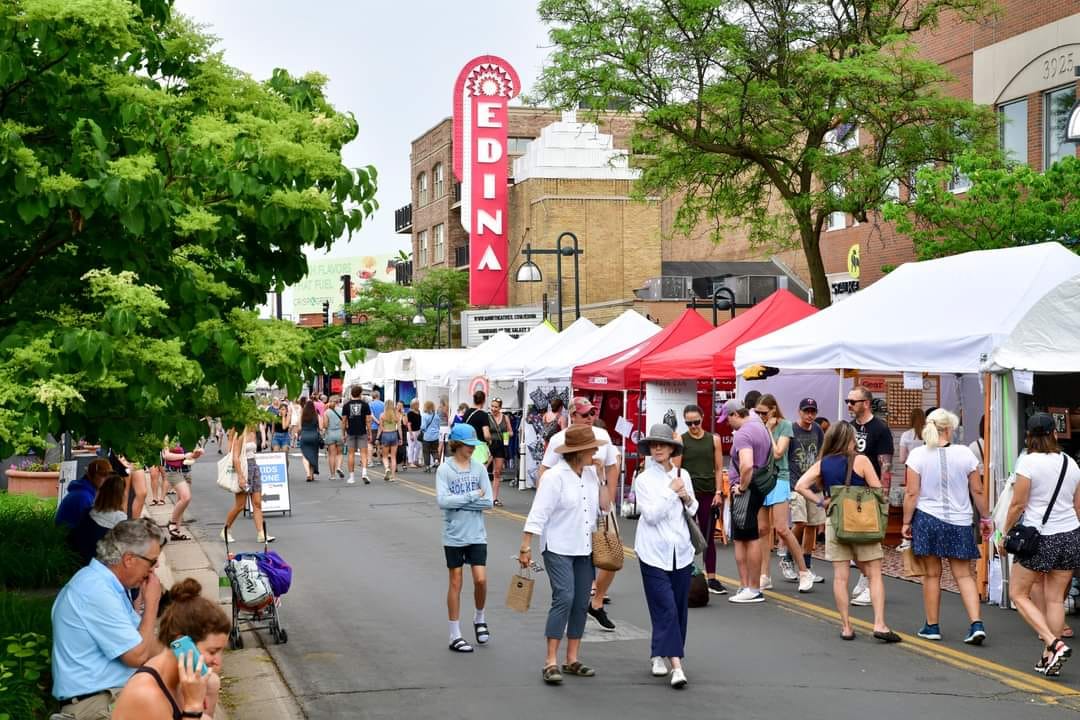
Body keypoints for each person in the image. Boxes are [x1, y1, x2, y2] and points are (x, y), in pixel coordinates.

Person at [795, 421, 901, 643]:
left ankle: (846, 626)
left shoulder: (823, 463)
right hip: (863, 522)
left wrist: (821, 502)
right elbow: (877, 490)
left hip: (836, 520)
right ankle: (879, 623)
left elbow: (800, 485)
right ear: (849, 438)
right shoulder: (860, 460)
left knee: (841, 577)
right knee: (874, 574)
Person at [519, 425, 609, 685]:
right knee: (564, 597)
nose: (595, 452)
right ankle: (550, 661)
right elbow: (539, 513)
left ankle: (572, 658)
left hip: (583, 547)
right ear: (579, 452)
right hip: (558, 546)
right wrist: (526, 545)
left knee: (582, 601)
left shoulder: (591, 475)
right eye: (592, 448)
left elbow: (604, 508)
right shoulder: (555, 477)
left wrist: (602, 477)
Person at [51, 519, 168, 718]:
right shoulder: (95, 590)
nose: (153, 570)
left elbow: (148, 647)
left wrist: (186, 659)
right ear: (129, 559)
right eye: (152, 562)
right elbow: (137, 656)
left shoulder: (109, 586)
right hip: (97, 704)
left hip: (110, 696)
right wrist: (151, 604)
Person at [1001, 412, 1080, 677]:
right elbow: (1078, 506)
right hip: (1070, 534)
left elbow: (1018, 504)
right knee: (1056, 598)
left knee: (1018, 594)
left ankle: (1053, 643)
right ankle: (1049, 658)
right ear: (1054, 434)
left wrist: (1004, 533)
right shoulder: (1071, 463)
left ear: (1029, 437)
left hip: (1040, 536)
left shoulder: (1028, 463)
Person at [902, 408, 990, 644]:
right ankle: (976, 623)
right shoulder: (965, 454)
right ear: (949, 428)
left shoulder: (918, 455)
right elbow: (978, 490)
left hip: (928, 518)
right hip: (960, 521)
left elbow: (912, 492)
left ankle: (932, 626)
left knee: (932, 575)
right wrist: (985, 518)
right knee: (964, 575)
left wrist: (906, 522)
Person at [539, 397, 621, 631]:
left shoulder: (602, 438)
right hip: (570, 508)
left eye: (592, 414)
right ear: (572, 416)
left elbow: (614, 463)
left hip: (599, 503)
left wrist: (610, 495)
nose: (589, 418)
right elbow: (545, 470)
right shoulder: (559, 439)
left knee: (611, 558)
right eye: (584, 414)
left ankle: (596, 601)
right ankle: (571, 606)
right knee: (575, 561)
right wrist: (550, 500)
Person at [112, 578, 229, 720]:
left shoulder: (180, 682)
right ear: (181, 642)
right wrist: (193, 706)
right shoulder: (146, 695)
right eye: (212, 651)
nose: (217, 661)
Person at [635, 425, 697, 689]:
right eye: (653, 445)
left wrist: (684, 495)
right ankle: (677, 666)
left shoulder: (684, 474)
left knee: (679, 609)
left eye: (662, 444)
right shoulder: (643, 480)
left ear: (672, 449)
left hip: (681, 551)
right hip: (652, 551)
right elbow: (650, 515)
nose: (658, 449)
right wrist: (671, 492)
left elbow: (693, 509)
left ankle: (657, 653)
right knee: (665, 606)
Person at [436, 424, 494, 653]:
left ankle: (479, 617)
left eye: (473, 445)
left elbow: (488, 501)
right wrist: (471, 495)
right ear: (457, 445)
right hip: (453, 534)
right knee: (456, 581)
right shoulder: (445, 470)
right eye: (469, 445)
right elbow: (443, 502)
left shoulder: (479, 469)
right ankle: (454, 634)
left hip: (476, 532)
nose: (472, 449)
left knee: (480, 579)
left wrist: (459, 500)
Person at [754, 394, 815, 593]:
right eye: (758, 412)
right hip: (761, 478)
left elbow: (778, 453)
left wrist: (768, 430)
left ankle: (804, 571)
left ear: (773, 410)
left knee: (781, 527)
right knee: (763, 528)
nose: (761, 416)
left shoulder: (785, 425)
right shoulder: (756, 425)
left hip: (779, 477)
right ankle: (765, 575)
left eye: (764, 412)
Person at [847, 385, 894, 607]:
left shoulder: (880, 429)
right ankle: (864, 576)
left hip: (870, 491)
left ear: (865, 403)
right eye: (847, 401)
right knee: (851, 540)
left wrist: (883, 494)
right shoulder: (849, 428)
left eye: (852, 401)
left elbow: (885, 464)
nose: (849, 405)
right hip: (850, 490)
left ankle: (869, 581)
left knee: (869, 541)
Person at [723, 399, 771, 604]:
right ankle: (748, 586)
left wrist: (741, 487)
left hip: (747, 488)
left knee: (747, 536)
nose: (727, 424)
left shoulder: (743, 433)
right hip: (760, 485)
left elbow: (747, 464)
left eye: (727, 419)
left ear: (735, 414)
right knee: (745, 536)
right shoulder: (760, 425)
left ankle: (751, 587)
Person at [678, 404, 727, 595]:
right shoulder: (681, 440)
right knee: (685, 534)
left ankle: (712, 578)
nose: (693, 426)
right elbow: (678, 470)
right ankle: (686, 573)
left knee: (708, 537)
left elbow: (718, 468)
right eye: (689, 423)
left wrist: (718, 492)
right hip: (689, 494)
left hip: (708, 492)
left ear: (703, 418)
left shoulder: (713, 440)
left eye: (696, 422)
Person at [787, 398, 826, 584]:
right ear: (799, 412)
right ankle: (788, 557)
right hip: (796, 483)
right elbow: (786, 455)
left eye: (813, 411)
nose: (810, 415)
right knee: (800, 522)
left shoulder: (818, 429)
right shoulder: (792, 429)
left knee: (812, 526)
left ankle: (807, 566)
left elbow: (821, 453)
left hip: (814, 484)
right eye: (806, 411)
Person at [222, 426, 274, 544]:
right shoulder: (239, 433)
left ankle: (261, 533)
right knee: (240, 505)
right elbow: (235, 457)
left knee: (257, 502)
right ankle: (226, 530)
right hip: (243, 469)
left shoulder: (253, 431)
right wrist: (240, 476)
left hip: (253, 467)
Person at [70, 473, 128, 565]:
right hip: (102, 564)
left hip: (81, 561)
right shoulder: (120, 518)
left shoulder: (88, 512)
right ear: (121, 495)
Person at [161, 441, 203, 542]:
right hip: (173, 471)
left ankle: (176, 532)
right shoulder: (168, 435)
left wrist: (196, 454)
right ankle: (172, 523)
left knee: (182, 502)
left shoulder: (186, 436)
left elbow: (190, 455)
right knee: (186, 497)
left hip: (186, 470)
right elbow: (166, 455)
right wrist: (184, 456)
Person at [56, 458, 112, 530]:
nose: (106, 479)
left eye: (108, 476)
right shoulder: (83, 496)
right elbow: (88, 528)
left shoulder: (84, 492)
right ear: (92, 475)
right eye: (103, 475)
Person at [341, 386, 372, 485]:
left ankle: (352, 477)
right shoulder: (365, 405)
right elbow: (368, 420)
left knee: (351, 454)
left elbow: (344, 421)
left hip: (350, 431)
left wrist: (343, 433)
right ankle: (364, 473)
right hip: (362, 431)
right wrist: (370, 432)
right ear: (360, 393)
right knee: (364, 453)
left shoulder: (346, 405)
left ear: (351, 393)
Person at [489, 398, 514, 507]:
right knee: (482, 470)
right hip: (489, 445)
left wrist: (507, 435)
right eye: (492, 406)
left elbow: (511, 432)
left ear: (500, 408)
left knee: (497, 472)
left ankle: (494, 498)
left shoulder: (505, 417)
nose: (494, 409)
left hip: (501, 445)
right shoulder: (487, 417)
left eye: (496, 407)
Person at [299, 399, 324, 482]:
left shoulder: (302, 415)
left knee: (305, 455)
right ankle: (312, 474)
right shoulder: (317, 415)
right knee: (313, 455)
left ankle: (308, 474)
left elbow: (299, 428)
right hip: (314, 436)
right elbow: (320, 427)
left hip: (304, 435)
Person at [378, 401, 402, 481]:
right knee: (393, 457)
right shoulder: (396, 415)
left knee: (384, 456)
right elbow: (399, 428)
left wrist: (377, 438)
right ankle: (393, 476)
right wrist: (401, 438)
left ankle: (387, 468)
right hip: (394, 434)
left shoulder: (382, 415)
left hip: (385, 434)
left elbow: (380, 428)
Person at [324, 395, 345, 479]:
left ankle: (332, 475)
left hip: (330, 434)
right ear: (338, 402)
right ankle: (339, 467)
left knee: (331, 455)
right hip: (340, 433)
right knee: (339, 453)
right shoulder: (342, 411)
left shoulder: (327, 412)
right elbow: (344, 423)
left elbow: (325, 425)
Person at [420, 400, 442, 472]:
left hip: (427, 437)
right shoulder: (436, 416)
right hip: (435, 436)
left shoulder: (424, 416)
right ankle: (436, 460)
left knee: (426, 452)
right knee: (435, 451)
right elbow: (439, 426)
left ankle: (427, 467)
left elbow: (423, 426)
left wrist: (423, 430)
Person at [369, 390, 386, 464]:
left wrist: (377, 421)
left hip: (373, 426)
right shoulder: (383, 404)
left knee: (371, 444)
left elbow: (371, 415)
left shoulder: (370, 404)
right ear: (378, 396)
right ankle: (380, 460)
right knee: (380, 444)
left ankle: (370, 460)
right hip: (382, 427)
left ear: (372, 396)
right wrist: (380, 422)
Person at [407, 399, 423, 468]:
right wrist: (411, 434)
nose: (419, 405)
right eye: (418, 404)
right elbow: (409, 424)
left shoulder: (418, 412)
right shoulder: (410, 413)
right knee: (411, 446)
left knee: (419, 446)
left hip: (418, 431)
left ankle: (415, 460)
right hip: (412, 431)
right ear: (414, 405)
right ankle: (410, 462)